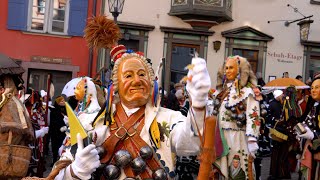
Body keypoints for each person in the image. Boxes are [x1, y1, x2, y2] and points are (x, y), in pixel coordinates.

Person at [50, 43, 211, 179]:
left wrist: (197, 107)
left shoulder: (168, 118)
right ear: (116, 85)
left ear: (151, 81)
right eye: (128, 76)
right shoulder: (91, 122)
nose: (137, 80)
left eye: (142, 74)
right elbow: (58, 174)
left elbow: (190, 144)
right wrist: (76, 170)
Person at [212, 55, 260, 179]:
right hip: (222, 137)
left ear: (239, 70)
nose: (227, 71)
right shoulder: (222, 92)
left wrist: (252, 139)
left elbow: (253, 114)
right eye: (226, 68)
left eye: (231, 68)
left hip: (238, 137)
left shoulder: (247, 91)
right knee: (223, 171)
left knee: (238, 169)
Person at [297, 77, 320, 180]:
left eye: (317, 87)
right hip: (309, 148)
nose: (313, 90)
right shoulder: (312, 106)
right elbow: (305, 121)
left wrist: (313, 135)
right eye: (312, 88)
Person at [48, 96, 67, 165]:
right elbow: (53, 121)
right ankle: (54, 161)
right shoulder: (54, 110)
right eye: (61, 101)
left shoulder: (66, 109)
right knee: (55, 146)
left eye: (63, 100)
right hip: (55, 132)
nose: (63, 102)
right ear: (58, 102)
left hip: (63, 132)